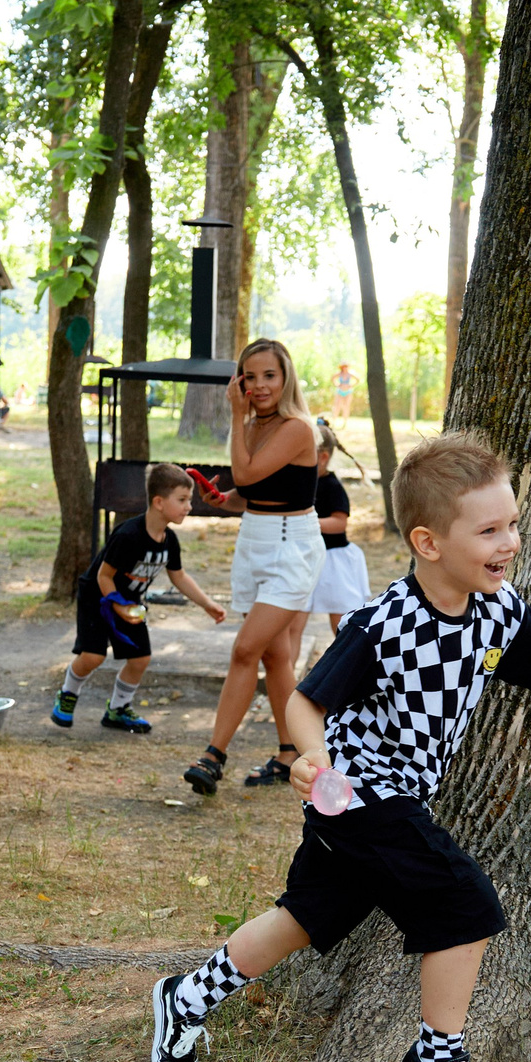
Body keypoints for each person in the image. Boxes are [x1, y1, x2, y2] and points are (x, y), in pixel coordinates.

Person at [146, 432, 531, 1062]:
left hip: (388, 802)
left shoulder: (498, 608)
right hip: (361, 797)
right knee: (465, 903)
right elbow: (305, 701)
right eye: (490, 529)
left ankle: (185, 998)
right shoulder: (386, 624)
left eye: (513, 524)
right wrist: (312, 759)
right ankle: (436, 1057)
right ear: (429, 542)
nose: (511, 542)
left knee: (304, 918)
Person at [181, 338, 323, 794]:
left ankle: (213, 755)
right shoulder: (254, 427)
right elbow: (249, 489)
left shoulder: (298, 428)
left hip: (291, 548)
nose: (259, 385)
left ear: (286, 379)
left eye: (269, 376)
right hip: (256, 541)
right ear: (238, 379)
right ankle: (290, 753)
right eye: (250, 376)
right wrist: (225, 501)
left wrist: (236, 419)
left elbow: (245, 472)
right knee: (274, 655)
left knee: (245, 649)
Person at [54, 461, 225, 733]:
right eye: (182, 500)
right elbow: (103, 576)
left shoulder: (169, 540)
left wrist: (207, 604)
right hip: (98, 597)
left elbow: (178, 577)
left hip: (130, 602)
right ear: (159, 501)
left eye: (188, 500)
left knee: (140, 658)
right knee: (93, 657)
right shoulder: (128, 535)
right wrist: (118, 606)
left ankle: (118, 709)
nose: (189, 507)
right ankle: (67, 694)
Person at [306, 422, 369, 633]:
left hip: (334, 561)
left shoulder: (332, 487)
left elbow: (339, 523)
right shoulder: (300, 483)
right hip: (306, 559)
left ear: (322, 457)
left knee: (341, 624)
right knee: (293, 624)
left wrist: (307, 523)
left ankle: (347, 664)